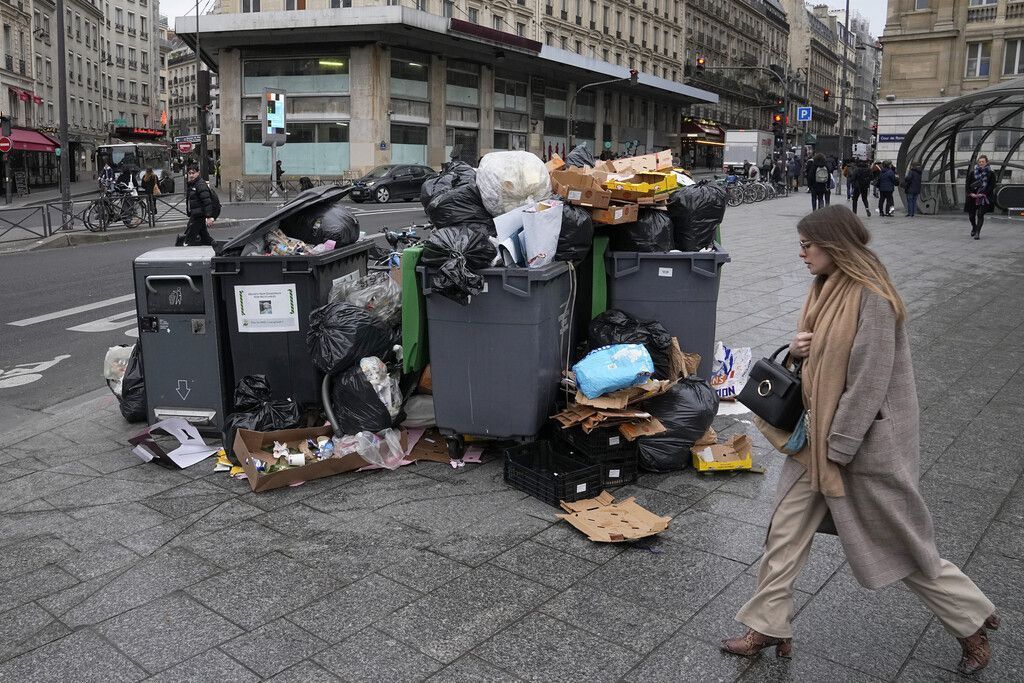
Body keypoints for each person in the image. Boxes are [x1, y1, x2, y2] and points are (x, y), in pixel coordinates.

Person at [721, 204, 998, 676]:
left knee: (899, 547)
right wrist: (796, 351)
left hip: (858, 451)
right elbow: (819, 369)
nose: (802, 253)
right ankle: (768, 625)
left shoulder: (873, 298)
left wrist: (840, 448)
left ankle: (972, 622)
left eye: (808, 245)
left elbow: (869, 382)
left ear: (835, 245)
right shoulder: (824, 288)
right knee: (784, 536)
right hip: (814, 443)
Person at [965, 154, 997, 239]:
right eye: (980, 162)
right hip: (973, 197)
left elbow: (992, 185)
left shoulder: (991, 173)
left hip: (983, 197)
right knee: (971, 216)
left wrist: (983, 194)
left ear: (986, 162)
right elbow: (967, 185)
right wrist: (971, 193)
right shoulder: (973, 173)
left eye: (983, 161)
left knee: (980, 214)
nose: (981, 163)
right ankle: (974, 227)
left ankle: (977, 233)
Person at [183, 164, 216, 246]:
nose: (191, 175)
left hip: (199, 215)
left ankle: (186, 254)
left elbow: (207, 202)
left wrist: (209, 217)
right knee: (205, 238)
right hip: (196, 214)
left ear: (198, 173)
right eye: (189, 173)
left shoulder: (200, 185)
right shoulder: (193, 184)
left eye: (193, 173)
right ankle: (218, 248)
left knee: (189, 239)